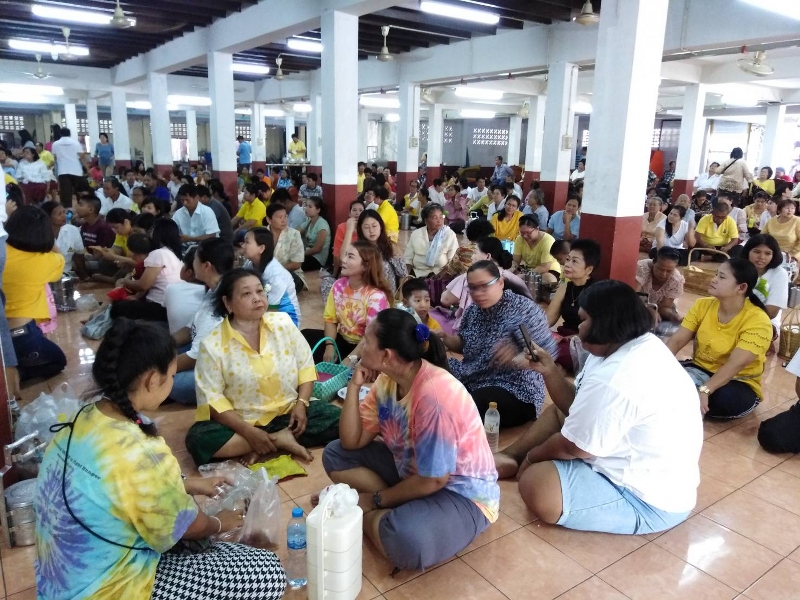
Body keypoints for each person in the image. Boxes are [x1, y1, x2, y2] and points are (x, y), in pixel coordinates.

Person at [34, 318, 286, 599]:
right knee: (266, 572)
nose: (173, 382)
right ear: (152, 380)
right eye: (173, 376)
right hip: (108, 589)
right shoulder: (142, 451)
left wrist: (186, 483)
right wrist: (221, 522)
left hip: (59, 584)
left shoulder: (82, 418)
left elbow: (118, 486)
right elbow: (186, 526)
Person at [495, 281, 702, 536]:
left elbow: (573, 447)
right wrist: (549, 371)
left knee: (538, 483)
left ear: (605, 323)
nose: (578, 327)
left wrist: (532, 459)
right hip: (621, 456)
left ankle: (522, 461)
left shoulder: (617, 376)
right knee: (559, 414)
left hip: (646, 499)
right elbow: (576, 405)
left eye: (583, 320)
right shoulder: (626, 344)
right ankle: (509, 457)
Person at [321, 309, 499, 571]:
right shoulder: (387, 380)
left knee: (406, 540)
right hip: (414, 474)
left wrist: (373, 500)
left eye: (366, 341)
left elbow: (435, 480)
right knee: (335, 454)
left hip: (460, 494)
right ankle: (397, 509)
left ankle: (372, 514)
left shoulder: (434, 397)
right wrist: (354, 387)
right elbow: (351, 442)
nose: (361, 346)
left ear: (386, 355)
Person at [185, 269, 341, 466]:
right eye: (246, 294)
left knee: (339, 419)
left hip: (289, 413)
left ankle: (262, 443)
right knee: (199, 438)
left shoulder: (283, 323)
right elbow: (213, 400)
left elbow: (305, 366)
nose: (257, 298)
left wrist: (301, 404)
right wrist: (249, 432)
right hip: (243, 422)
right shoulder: (212, 345)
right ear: (228, 303)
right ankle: (278, 439)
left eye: (260, 291)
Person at [439, 260, 557, 426]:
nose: (478, 293)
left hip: (515, 388)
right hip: (474, 375)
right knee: (432, 377)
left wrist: (517, 358)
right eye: (473, 288)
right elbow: (465, 345)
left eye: (484, 286)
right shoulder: (473, 311)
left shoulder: (524, 309)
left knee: (472, 404)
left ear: (500, 283)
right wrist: (445, 338)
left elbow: (548, 355)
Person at [666, 258, 772, 419]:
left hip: (738, 381)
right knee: (661, 378)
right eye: (716, 274)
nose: (714, 279)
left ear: (742, 287)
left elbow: (736, 364)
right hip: (699, 369)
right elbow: (677, 340)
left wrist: (705, 390)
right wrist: (659, 366)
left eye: (722, 277)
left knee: (723, 400)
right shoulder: (702, 305)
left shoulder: (758, 320)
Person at [302, 240, 392, 362]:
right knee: (305, 336)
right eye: (345, 255)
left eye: (350, 256)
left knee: (360, 366)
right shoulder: (338, 286)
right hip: (343, 340)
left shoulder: (376, 297)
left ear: (365, 266)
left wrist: (350, 359)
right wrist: (330, 346)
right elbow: (330, 319)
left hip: (367, 346)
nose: (343, 260)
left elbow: (371, 336)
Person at [4, 205, 66, 381]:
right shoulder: (46, 261)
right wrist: (48, 240)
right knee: (58, 361)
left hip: (5, 329)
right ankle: (16, 373)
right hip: (21, 333)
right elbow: (61, 257)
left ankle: (9, 367)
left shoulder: (2, 252)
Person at [170, 239, 233, 405]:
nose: (192, 263)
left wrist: (160, 370)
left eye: (195, 259)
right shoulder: (214, 289)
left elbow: (196, 356)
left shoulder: (221, 300)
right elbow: (191, 328)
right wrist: (164, 343)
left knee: (174, 384)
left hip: (220, 367)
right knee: (164, 351)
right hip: (204, 353)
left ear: (206, 266)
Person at [435, 237, 526, 335]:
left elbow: (445, 300)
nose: (472, 257)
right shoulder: (514, 278)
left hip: (473, 331)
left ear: (488, 256)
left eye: (475, 252)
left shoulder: (470, 277)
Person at [109, 219, 183, 322]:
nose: (150, 232)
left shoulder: (159, 253)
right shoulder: (172, 253)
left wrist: (124, 281)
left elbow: (143, 285)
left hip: (160, 306)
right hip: (168, 306)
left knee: (117, 308)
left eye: (152, 229)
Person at [546, 239, 602, 372]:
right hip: (562, 336)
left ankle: (558, 370)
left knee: (550, 352)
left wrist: (568, 339)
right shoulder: (565, 287)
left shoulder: (596, 291)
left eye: (574, 261)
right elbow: (547, 319)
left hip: (583, 341)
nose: (567, 265)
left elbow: (596, 331)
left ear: (589, 269)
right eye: (568, 259)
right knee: (534, 343)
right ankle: (559, 369)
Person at [242, 227, 302, 326]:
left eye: (247, 242)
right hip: (263, 311)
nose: (243, 246)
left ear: (261, 248)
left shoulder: (276, 274)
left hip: (286, 319)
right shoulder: (249, 264)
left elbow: (272, 310)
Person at [341, 209, 407, 293]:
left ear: (381, 226)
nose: (371, 231)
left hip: (387, 295)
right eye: (366, 227)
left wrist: (401, 297)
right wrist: (349, 230)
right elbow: (343, 258)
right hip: (364, 295)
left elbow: (403, 274)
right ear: (360, 229)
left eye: (374, 226)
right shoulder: (359, 249)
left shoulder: (391, 247)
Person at [744, 234, 789, 331]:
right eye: (757, 252)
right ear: (748, 251)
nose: (761, 257)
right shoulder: (737, 269)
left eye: (768, 253)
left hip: (765, 322)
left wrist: (742, 322)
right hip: (733, 318)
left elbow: (772, 312)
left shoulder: (779, 274)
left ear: (774, 255)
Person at [634, 248, 685, 326]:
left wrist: (672, 315)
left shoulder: (676, 280)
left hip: (659, 309)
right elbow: (633, 297)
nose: (663, 274)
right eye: (660, 269)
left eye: (669, 271)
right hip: (637, 305)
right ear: (653, 262)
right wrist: (648, 309)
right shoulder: (642, 268)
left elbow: (664, 307)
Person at [267, 202, 306, 292]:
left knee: (290, 281)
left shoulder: (294, 234)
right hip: (266, 273)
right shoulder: (261, 234)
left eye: (285, 216)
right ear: (269, 220)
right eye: (280, 217)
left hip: (289, 273)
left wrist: (274, 270)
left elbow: (297, 264)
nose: (284, 220)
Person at [512, 214, 561, 281]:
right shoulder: (519, 238)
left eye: (528, 233)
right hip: (528, 269)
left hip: (548, 270)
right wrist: (509, 271)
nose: (525, 236)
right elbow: (515, 261)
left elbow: (544, 267)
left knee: (548, 278)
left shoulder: (548, 240)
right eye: (522, 232)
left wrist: (525, 275)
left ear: (537, 229)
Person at [42, 201, 84, 273]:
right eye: (59, 214)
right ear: (48, 217)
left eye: (64, 212)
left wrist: (85, 276)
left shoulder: (72, 230)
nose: (64, 216)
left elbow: (78, 256)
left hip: (66, 272)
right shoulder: (39, 235)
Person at [51, 127, 85, 208]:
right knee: (80, 192)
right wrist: (87, 169)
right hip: (76, 171)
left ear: (60, 134)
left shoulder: (55, 144)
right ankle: (82, 208)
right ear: (70, 134)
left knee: (65, 194)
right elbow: (82, 157)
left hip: (63, 171)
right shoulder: (76, 143)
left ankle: (67, 211)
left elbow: (55, 158)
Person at [299, 196, 331, 271]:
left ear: (318, 210)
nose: (306, 208)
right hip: (308, 254)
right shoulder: (309, 221)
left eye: (310, 207)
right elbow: (295, 232)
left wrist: (300, 254)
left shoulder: (322, 224)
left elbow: (317, 249)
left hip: (318, 259)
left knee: (295, 264)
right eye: (306, 206)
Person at [333, 200, 364, 273]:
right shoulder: (342, 227)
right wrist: (335, 273)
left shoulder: (365, 227)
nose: (357, 213)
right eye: (354, 210)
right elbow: (337, 253)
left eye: (361, 210)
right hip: (344, 263)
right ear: (349, 214)